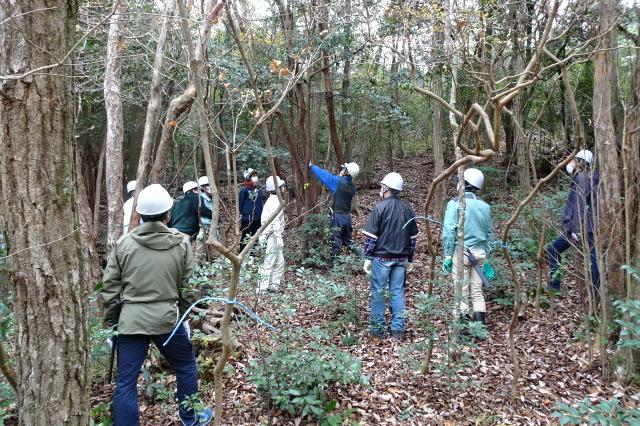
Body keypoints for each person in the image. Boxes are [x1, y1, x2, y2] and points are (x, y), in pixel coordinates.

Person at [101, 184, 212, 426]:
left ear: (139, 213)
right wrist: (182, 315)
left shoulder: (124, 244)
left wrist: (111, 321)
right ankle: (190, 418)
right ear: (167, 213)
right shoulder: (181, 243)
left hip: (131, 322)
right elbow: (188, 288)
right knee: (185, 366)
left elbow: (110, 289)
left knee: (126, 381)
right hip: (167, 320)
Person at [361, 172, 418, 340]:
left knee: (378, 293)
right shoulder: (408, 209)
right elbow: (413, 239)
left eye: (381, 187)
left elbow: (371, 238)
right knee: (397, 293)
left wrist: (367, 257)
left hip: (381, 259)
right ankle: (397, 331)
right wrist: (410, 259)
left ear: (386, 188)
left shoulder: (379, 208)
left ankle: (377, 330)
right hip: (401, 259)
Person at [442, 168, 495, 329]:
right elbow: (489, 235)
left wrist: (448, 256)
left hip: (461, 253)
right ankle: (480, 329)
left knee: (462, 292)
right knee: (477, 292)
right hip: (480, 254)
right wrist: (488, 259)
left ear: (465, 184)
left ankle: (463, 332)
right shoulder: (485, 207)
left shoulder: (455, 204)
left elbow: (449, 232)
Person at [546, 149, 600, 292]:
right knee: (591, 257)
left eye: (573, 159)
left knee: (554, 250)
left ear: (580, 163)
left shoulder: (582, 178)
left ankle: (556, 289)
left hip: (582, 228)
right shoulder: (589, 177)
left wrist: (576, 229)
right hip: (588, 226)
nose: (569, 162)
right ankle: (596, 292)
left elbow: (578, 206)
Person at [309, 161, 362, 258]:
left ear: (347, 172)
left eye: (344, 169)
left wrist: (312, 166)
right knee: (348, 241)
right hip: (347, 217)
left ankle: (335, 266)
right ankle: (362, 258)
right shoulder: (352, 187)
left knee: (335, 241)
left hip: (338, 217)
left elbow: (324, 176)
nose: (342, 170)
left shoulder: (337, 182)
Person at [258, 175, 286, 292]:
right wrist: (279, 237)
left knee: (279, 262)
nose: (283, 188)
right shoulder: (274, 201)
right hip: (271, 236)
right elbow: (274, 221)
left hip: (274, 236)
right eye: (281, 186)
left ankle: (274, 285)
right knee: (269, 262)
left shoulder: (276, 200)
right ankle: (262, 289)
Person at [238, 168, 264, 252]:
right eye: (253, 176)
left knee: (255, 237)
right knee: (245, 237)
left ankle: (253, 255)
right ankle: (242, 254)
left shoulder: (259, 190)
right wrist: (246, 213)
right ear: (248, 177)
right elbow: (240, 205)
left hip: (258, 218)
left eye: (256, 175)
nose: (255, 177)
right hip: (247, 219)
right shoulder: (244, 190)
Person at [195, 176, 214, 262]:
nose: (209, 187)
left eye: (210, 185)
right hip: (203, 228)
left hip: (213, 227)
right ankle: (196, 269)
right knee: (200, 251)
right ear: (202, 187)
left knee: (215, 251)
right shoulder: (200, 198)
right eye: (207, 185)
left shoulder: (214, 198)